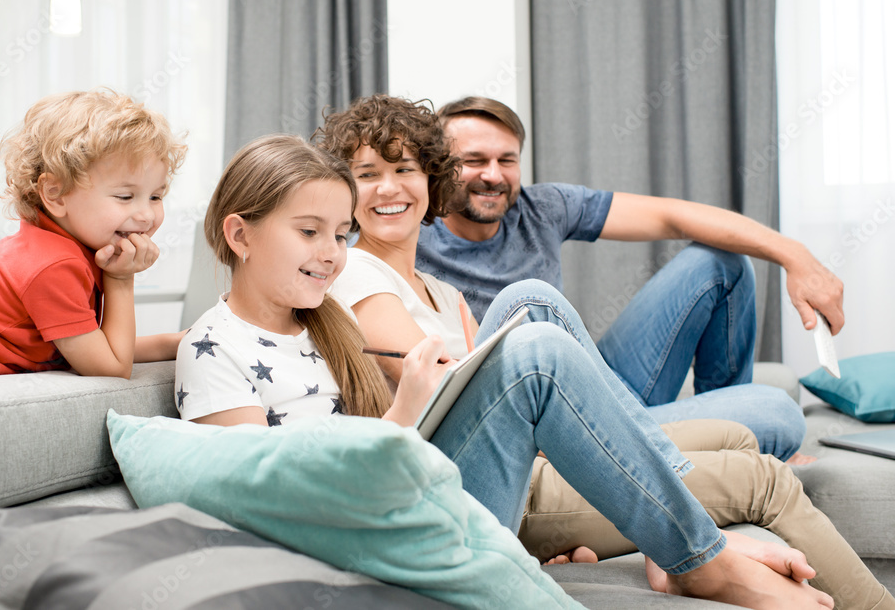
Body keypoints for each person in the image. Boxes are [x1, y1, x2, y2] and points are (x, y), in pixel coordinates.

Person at [176, 133, 836, 609]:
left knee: (754, 417)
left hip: (455, 476)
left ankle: (677, 532)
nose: (332, 253)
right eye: (312, 232)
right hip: (407, 510)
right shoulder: (305, 308)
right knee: (534, 326)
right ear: (240, 235)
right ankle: (694, 550)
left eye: (335, 233)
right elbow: (269, 491)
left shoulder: (323, 320)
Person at [316, 95, 894, 609]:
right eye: (368, 175)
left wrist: (793, 254)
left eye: (404, 170)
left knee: (751, 429)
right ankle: (683, 538)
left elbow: (484, 395)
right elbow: (447, 393)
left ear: (429, 181)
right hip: (483, 476)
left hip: (537, 437)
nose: (388, 187)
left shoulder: (443, 287)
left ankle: (661, 507)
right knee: (534, 303)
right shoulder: (355, 272)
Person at [413, 95, 840, 460]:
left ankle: (721, 434)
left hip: (600, 385)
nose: (493, 174)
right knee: (779, 413)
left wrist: (795, 256)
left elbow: (672, 216)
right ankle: (718, 442)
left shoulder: (543, 207)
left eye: (506, 160)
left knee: (720, 263)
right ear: (438, 167)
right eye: (472, 161)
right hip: (542, 419)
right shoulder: (413, 235)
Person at [0, 89, 187, 382]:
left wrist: (175, 342)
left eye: (155, 196)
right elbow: (111, 368)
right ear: (55, 195)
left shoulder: (64, 247)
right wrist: (121, 280)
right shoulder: (55, 265)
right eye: (125, 196)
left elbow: (96, 345)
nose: (146, 215)